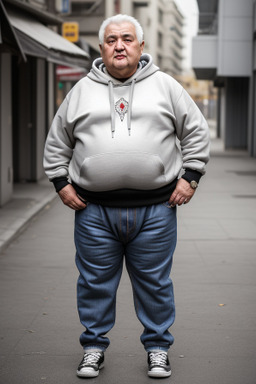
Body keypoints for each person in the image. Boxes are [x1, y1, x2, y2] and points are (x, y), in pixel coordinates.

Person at [43, 14, 210, 379]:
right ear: (102, 48)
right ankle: (92, 348)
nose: (119, 45)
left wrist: (191, 176)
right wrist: (61, 183)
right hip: (93, 211)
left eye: (127, 39)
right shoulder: (81, 91)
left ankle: (157, 349)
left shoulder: (166, 86)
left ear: (140, 46)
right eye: (112, 39)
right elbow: (57, 143)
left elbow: (196, 133)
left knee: (155, 283)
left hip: (156, 209)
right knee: (93, 283)